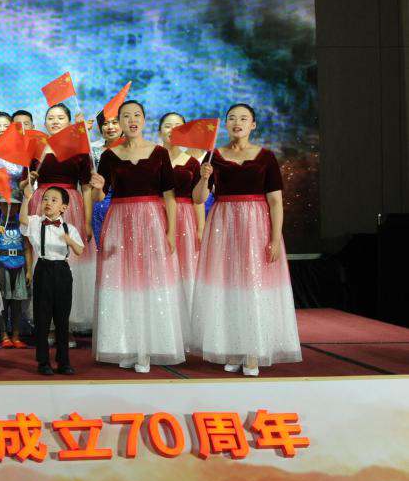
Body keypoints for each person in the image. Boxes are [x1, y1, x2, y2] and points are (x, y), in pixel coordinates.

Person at [191, 104, 302, 375]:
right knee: (228, 287)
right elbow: (198, 199)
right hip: (223, 225)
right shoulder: (214, 157)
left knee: (254, 287)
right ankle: (235, 348)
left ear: (253, 125)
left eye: (243, 118)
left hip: (256, 225)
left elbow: (275, 201)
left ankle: (253, 351)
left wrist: (275, 238)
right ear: (226, 124)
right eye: (232, 118)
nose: (237, 122)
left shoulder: (266, 157)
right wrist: (204, 179)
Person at [89, 100, 187, 374]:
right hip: (119, 221)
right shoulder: (109, 156)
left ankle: (147, 348)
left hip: (152, 221)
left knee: (150, 282)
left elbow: (170, 196)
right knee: (122, 283)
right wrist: (97, 187)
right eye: (126, 116)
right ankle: (128, 345)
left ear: (144, 120)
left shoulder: (159, 153)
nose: (132, 120)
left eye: (137, 115)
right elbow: (99, 196)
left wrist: (170, 231)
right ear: (119, 123)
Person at [29, 103, 95, 335]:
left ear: (69, 121)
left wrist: (87, 221)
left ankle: (66, 326)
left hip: (71, 206)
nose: (55, 121)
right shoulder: (37, 147)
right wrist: (30, 181)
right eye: (51, 117)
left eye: (60, 117)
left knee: (69, 264)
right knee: (44, 259)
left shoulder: (79, 148)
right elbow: (27, 181)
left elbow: (86, 187)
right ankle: (47, 326)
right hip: (42, 203)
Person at [19, 179, 84, 376]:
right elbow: (23, 220)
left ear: (63, 207)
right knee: (42, 318)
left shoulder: (69, 228)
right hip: (43, 269)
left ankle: (63, 361)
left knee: (62, 319)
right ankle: (43, 361)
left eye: (54, 200)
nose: (48, 202)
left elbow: (79, 250)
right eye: (45, 199)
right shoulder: (36, 222)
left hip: (62, 271)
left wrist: (69, 240)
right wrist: (26, 198)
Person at [159, 112, 205, 323]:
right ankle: (163, 318)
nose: (172, 130)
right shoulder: (151, 159)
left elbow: (198, 200)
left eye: (178, 126)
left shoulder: (193, 163)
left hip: (185, 219)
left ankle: (186, 322)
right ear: (160, 130)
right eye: (168, 125)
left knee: (186, 268)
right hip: (157, 217)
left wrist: (200, 228)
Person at [0, 201, 31, 348]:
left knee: (17, 302)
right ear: (0, 205)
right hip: (2, 265)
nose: (10, 208)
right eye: (6, 205)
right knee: (3, 302)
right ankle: (4, 335)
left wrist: (29, 270)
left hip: (19, 265)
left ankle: (16, 336)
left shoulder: (21, 224)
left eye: (13, 205)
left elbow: (27, 248)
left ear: (18, 207)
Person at [90, 110, 122, 244]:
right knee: (102, 246)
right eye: (105, 123)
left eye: (115, 122)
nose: (110, 127)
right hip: (100, 203)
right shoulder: (93, 151)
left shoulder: (133, 149)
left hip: (124, 202)